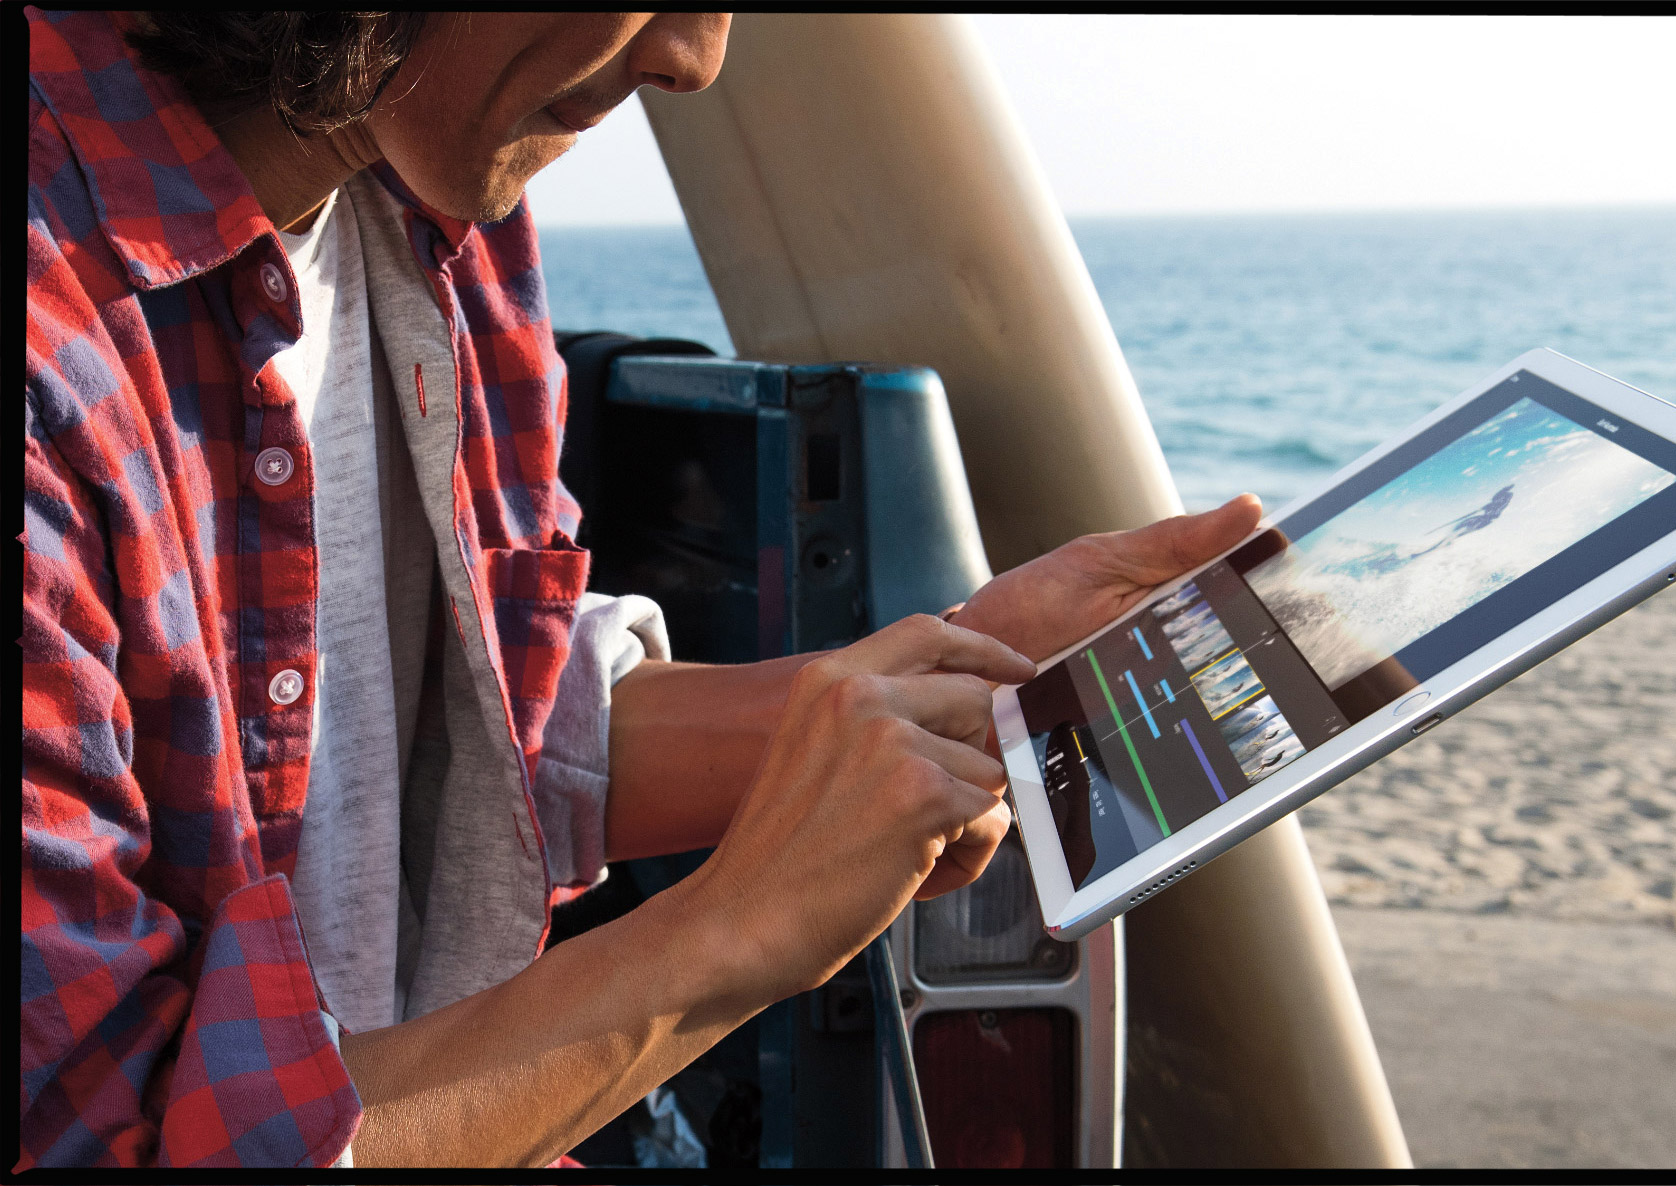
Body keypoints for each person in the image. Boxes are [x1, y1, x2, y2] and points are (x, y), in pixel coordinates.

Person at [21, 9, 1263, 1168]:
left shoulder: (432, 176)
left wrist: (957, 671)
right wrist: (737, 932)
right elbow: (108, 1142)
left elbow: (487, 723)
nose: (693, 58)